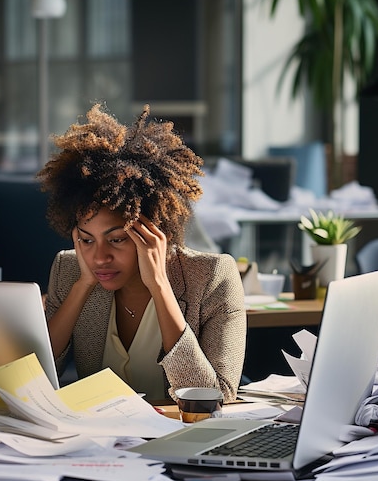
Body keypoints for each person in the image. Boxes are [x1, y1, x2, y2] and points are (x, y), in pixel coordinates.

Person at [37, 103, 246, 403]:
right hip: (101, 444)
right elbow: (37, 378)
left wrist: (159, 286)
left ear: (155, 232)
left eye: (117, 240)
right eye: (86, 239)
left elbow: (213, 398)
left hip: (178, 443)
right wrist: (83, 286)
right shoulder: (70, 271)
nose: (99, 257)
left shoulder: (213, 277)